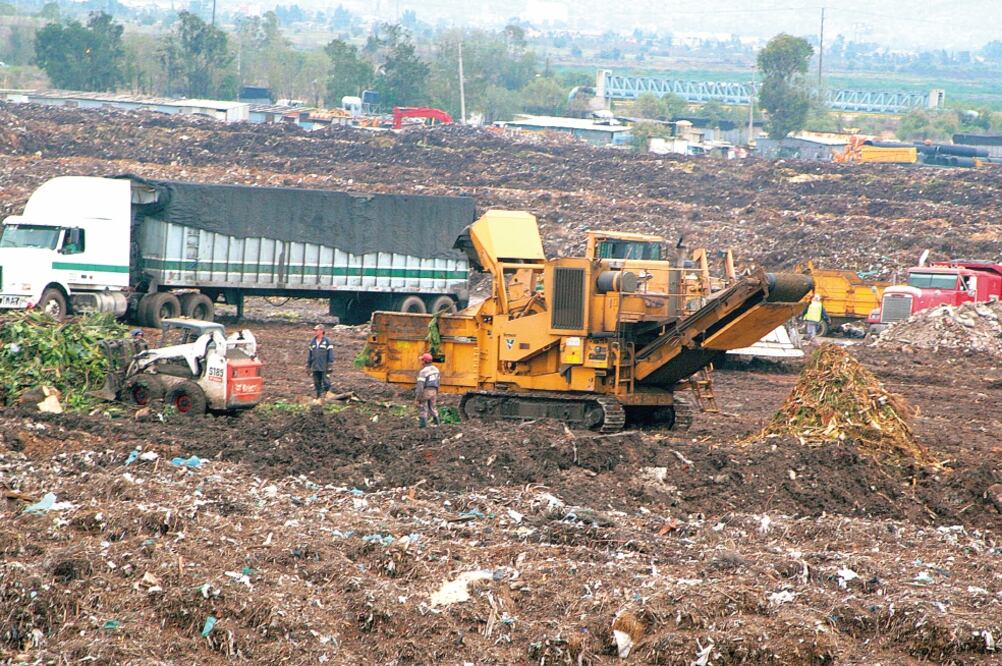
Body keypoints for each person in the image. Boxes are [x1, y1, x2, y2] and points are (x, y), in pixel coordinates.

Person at [306, 324, 334, 398]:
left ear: (322, 331)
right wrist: (308, 366)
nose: (315, 332)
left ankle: (326, 395)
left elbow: (330, 353)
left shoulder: (327, 341)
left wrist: (330, 364)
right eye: (314, 330)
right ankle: (318, 396)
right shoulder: (312, 341)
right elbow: (310, 354)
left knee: (326, 382)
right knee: (316, 382)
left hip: (324, 365)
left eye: (316, 330)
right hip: (315, 365)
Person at [415, 352, 441, 428]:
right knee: (433, 408)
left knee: (423, 409)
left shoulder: (423, 372)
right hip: (434, 391)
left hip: (426, 391)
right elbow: (438, 382)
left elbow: (420, 387)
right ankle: (438, 425)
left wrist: (417, 399)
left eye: (422, 360)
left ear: (424, 361)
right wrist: (436, 392)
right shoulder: (436, 370)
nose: (421, 362)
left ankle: (423, 428)